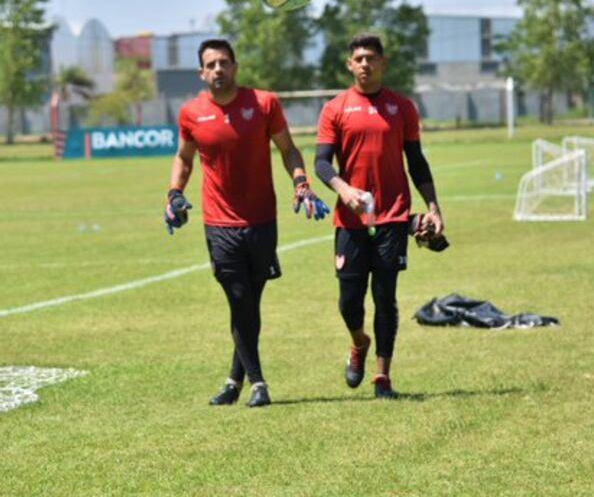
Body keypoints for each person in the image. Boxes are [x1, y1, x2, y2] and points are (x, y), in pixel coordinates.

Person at [165, 38, 330, 408]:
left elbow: (288, 149)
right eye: (211, 64)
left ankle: (232, 381)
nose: (218, 69)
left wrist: (300, 181)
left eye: (224, 62)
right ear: (201, 72)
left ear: (235, 67)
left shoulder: (264, 103)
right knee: (238, 298)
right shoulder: (191, 113)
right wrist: (174, 191)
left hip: (261, 220)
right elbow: (184, 158)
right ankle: (258, 383)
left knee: (249, 304)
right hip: (219, 224)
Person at [314, 33, 444, 399]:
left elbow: (416, 161)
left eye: (372, 57)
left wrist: (433, 206)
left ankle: (382, 378)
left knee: (385, 298)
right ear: (350, 65)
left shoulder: (402, 107)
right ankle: (359, 342)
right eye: (359, 58)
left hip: (392, 217)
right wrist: (344, 190)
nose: (366, 64)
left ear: (383, 63)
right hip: (351, 222)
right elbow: (321, 163)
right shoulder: (335, 109)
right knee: (349, 302)